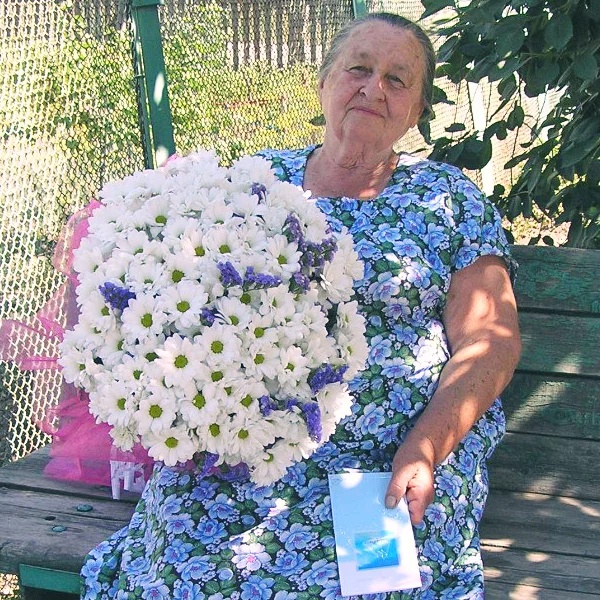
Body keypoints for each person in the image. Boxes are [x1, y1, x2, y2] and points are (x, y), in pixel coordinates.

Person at [81, 12, 521, 599]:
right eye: (358, 69)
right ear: (324, 82)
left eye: (397, 80)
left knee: (370, 585)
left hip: (391, 455)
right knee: (191, 573)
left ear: (416, 111)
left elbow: (489, 342)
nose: (373, 88)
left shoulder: (449, 200)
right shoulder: (258, 182)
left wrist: (426, 445)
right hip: (247, 446)